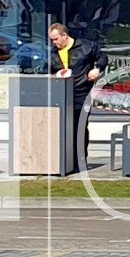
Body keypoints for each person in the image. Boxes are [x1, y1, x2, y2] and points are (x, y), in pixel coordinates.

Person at [48, 21, 104, 172]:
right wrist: (53, 76)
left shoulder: (86, 47)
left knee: (79, 126)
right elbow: (48, 69)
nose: (54, 43)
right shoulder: (53, 53)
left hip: (81, 91)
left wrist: (97, 69)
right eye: (52, 40)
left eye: (56, 39)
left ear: (65, 35)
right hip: (62, 92)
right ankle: (65, 161)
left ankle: (79, 161)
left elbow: (102, 57)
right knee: (64, 127)